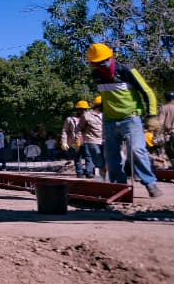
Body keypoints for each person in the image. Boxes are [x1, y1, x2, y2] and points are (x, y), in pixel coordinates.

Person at [86, 43, 163, 197]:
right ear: (93, 63)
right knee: (111, 155)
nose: (103, 65)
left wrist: (152, 115)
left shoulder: (127, 71)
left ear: (111, 57)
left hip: (131, 118)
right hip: (109, 121)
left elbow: (147, 92)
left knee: (137, 150)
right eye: (98, 63)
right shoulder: (96, 76)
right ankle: (119, 186)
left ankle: (150, 183)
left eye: (105, 61)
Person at [77, 98, 104, 179]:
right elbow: (78, 128)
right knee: (96, 160)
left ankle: (102, 177)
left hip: (104, 140)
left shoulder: (107, 115)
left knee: (105, 160)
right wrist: (78, 139)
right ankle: (93, 175)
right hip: (91, 141)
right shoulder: (86, 115)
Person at [60, 103, 87, 175]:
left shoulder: (89, 118)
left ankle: (90, 173)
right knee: (77, 158)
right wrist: (64, 142)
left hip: (87, 141)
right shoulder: (70, 119)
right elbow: (65, 131)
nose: (83, 111)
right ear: (78, 110)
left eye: (85, 109)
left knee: (89, 158)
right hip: (75, 141)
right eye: (81, 109)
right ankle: (80, 174)